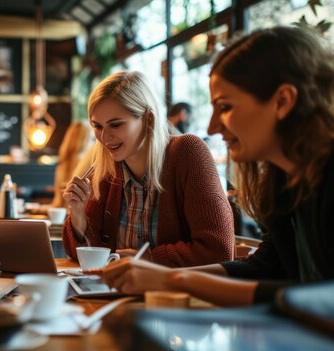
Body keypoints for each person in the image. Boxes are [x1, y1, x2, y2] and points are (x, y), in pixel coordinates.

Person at [102, 26, 334, 307]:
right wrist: (159, 276)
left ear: (282, 102)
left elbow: (322, 298)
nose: (212, 127)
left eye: (225, 108)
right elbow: (266, 268)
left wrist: (176, 280)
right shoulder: (286, 181)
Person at [62, 71, 234, 267]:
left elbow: (220, 250)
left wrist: (149, 259)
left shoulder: (188, 152)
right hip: (117, 292)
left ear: (148, 119)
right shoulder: (107, 168)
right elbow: (82, 255)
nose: (104, 138)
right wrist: (77, 214)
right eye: (97, 126)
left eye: (116, 125)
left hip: (173, 295)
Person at [51, 122, 93, 208]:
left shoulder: (61, 166)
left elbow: (57, 202)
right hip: (76, 216)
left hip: (64, 216)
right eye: (92, 139)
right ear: (84, 141)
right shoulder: (88, 166)